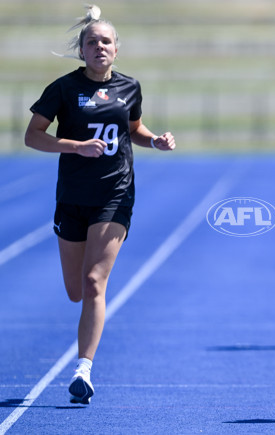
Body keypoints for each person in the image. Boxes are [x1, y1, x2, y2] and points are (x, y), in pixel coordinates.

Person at [24, 5, 176, 404]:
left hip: (115, 194)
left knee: (94, 283)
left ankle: (83, 369)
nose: (99, 47)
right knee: (75, 290)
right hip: (73, 197)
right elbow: (33, 136)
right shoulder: (63, 88)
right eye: (92, 42)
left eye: (105, 41)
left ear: (116, 49)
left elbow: (133, 130)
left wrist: (154, 139)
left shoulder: (129, 87)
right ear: (82, 50)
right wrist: (75, 146)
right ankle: (84, 358)